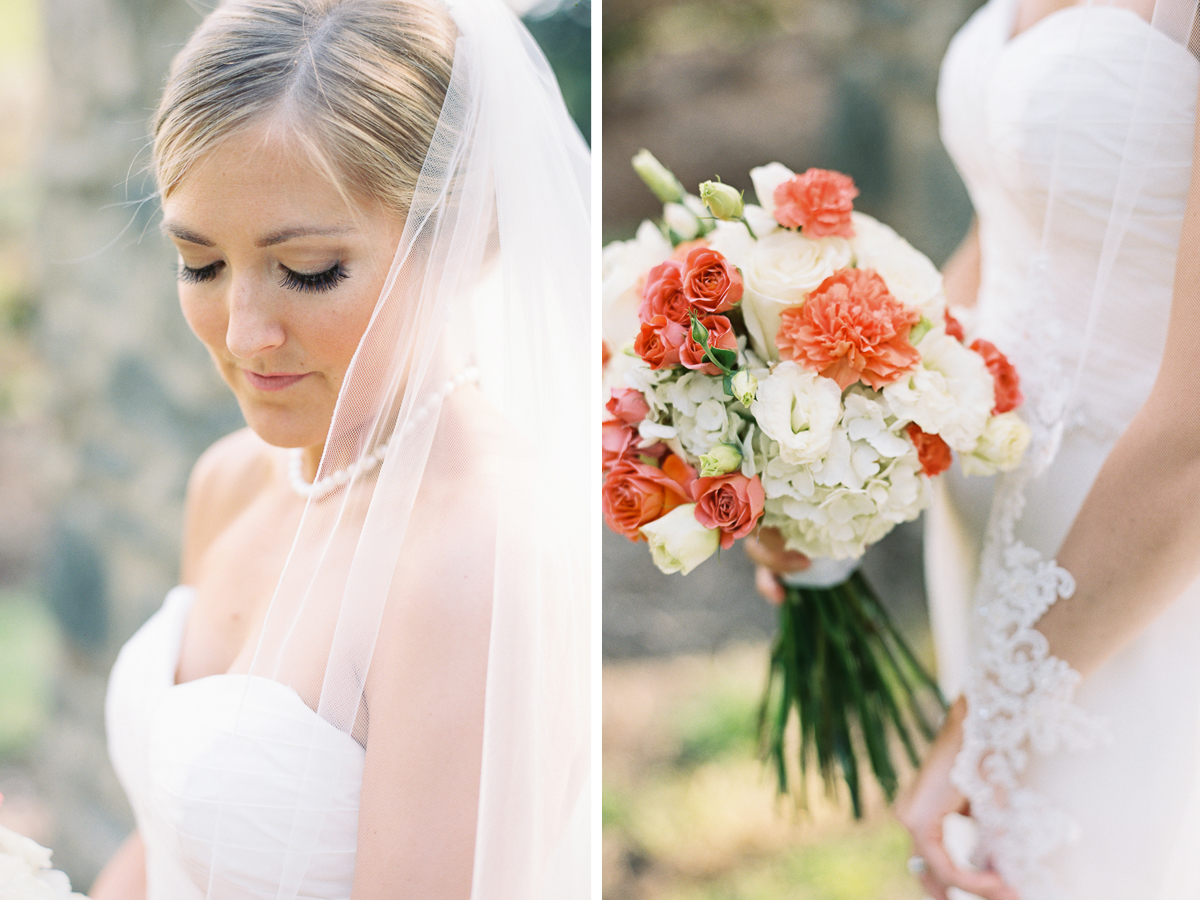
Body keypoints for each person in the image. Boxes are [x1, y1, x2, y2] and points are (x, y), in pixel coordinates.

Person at [87, 1, 591, 898]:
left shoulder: (478, 561)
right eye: (199, 263)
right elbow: (168, 848)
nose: (244, 334)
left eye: (309, 270)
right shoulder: (232, 482)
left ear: (460, 241)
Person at [753, 0, 1200, 896]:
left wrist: (995, 719)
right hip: (990, 529)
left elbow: (1192, 434)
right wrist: (835, 457)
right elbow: (1014, 230)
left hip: (1131, 568)